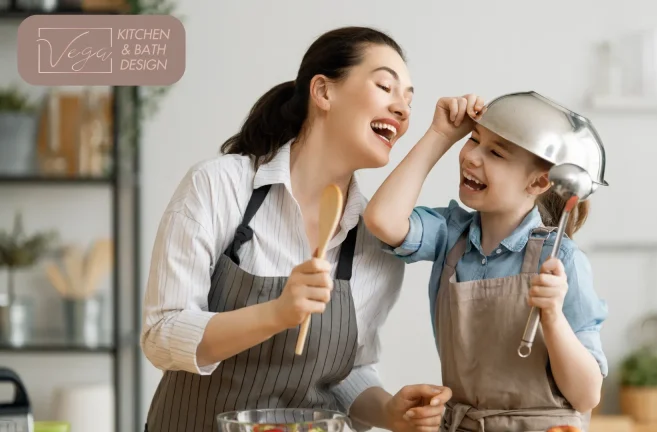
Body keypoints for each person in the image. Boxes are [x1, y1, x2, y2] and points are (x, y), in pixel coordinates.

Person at [141, 26, 452, 432]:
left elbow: (347, 371)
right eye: (385, 87)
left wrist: (390, 411)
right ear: (323, 92)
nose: (403, 109)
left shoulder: (375, 242)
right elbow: (162, 335)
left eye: (409, 100)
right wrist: (276, 313)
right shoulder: (219, 186)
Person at [363, 93, 609, 431]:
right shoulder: (450, 236)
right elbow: (382, 220)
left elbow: (586, 395)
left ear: (538, 181)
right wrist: (440, 136)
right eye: (474, 139)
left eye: (495, 153)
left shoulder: (562, 259)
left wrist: (551, 316)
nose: (471, 157)